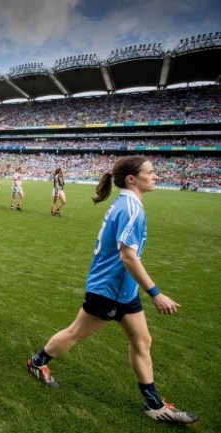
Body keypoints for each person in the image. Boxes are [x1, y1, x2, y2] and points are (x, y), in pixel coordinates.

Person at [26, 156, 198, 425]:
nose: (155, 176)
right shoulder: (131, 208)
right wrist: (156, 293)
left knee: (142, 341)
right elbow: (127, 256)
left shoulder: (128, 204)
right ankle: (37, 362)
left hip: (124, 290)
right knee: (76, 333)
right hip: (110, 290)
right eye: (150, 172)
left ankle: (153, 404)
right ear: (132, 179)